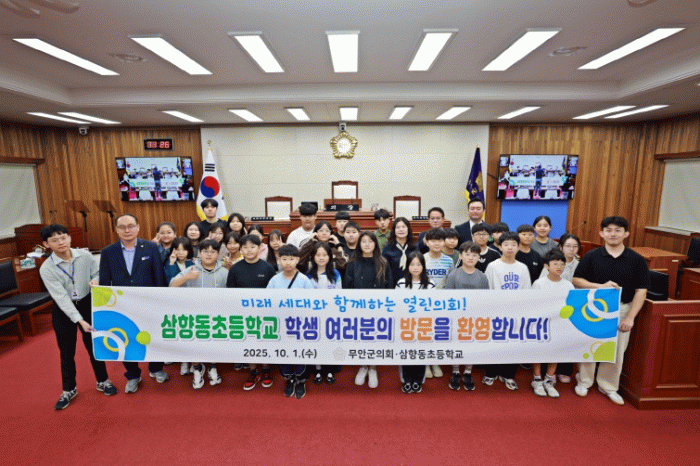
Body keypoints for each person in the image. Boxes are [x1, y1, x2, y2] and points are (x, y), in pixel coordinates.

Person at [572, 216, 649, 406]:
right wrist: (599, 286)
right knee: (590, 346)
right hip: (593, 309)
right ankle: (584, 381)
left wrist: (630, 317)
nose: (613, 234)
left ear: (626, 233)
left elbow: (641, 290)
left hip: (622, 309)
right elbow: (577, 280)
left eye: (617, 230)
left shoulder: (637, 260)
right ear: (601, 233)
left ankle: (608, 386)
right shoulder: (592, 256)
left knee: (616, 351)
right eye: (608, 230)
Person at [39, 224, 118, 410]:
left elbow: (97, 272)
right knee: (67, 351)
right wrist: (79, 320)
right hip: (63, 310)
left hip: (87, 303)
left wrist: (96, 280)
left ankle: (102, 380)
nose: (61, 242)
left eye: (63, 237)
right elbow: (61, 298)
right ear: (46, 244)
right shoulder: (46, 268)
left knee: (93, 345)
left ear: (69, 238)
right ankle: (69, 389)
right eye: (54, 240)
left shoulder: (85, 256)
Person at [99, 214, 168, 393]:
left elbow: (159, 276)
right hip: (122, 306)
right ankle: (133, 375)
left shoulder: (151, 247)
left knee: (154, 336)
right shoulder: (108, 252)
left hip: (149, 303)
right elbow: (104, 281)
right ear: (116, 230)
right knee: (126, 338)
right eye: (122, 227)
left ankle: (156, 368)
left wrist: (161, 301)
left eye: (131, 226)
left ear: (138, 227)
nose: (127, 230)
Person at [169, 239, 228, 389]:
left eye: (213, 251)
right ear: (199, 253)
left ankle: (212, 367)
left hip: (216, 317)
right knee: (193, 343)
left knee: (215, 343)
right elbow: (171, 286)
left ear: (218, 254)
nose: (209, 254)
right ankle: (197, 368)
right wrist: (186, 278)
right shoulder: (191, 270)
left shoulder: (224, 272)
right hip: (194, 315)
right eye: (205, 251)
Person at [227, 234, 277, 390]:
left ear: (259, 248)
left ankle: (266, 369)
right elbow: (230, 293)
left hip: (265, 314)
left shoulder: (268, 268)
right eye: (245, 247)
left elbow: (274, 293)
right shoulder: (235, 268)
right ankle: (253, 371)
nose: (249, 250)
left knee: (264, 341)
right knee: (248, 342)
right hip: (243, 314)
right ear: (241, 249)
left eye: (253, 247)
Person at [344, 232, 393, 389]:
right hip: (358, 309)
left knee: (374, 339)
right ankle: (363, 366)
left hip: (378, 309)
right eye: (363, 241)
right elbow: (347, 288)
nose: (366, 244)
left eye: (370, 241)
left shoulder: (383, 262)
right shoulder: (352, 263)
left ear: (375, 244)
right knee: (361, 338)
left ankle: (372, 367)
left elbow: (389, 287)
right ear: (359, 244)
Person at [484, 231, 531, 390]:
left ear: (518, 247)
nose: (510, 247)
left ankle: (508, 375)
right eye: (506, 244)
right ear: (500, 246)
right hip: (495, 312)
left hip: (515, 313)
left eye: (513, 244)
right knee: (493, 343)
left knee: (513, 344)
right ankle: (490, 373)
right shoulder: (493, 266)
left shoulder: (522, 268)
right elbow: (487, 289)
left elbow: (526, 291)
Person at [267, 244, 314, 399]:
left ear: (298, 260)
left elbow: (311, 303)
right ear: (279, 259)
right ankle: (289, 379)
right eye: (284, 259)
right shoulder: (274, 280)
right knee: (284, 353)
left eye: (292, 259)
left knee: (300, 353)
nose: (288, 262)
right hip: (281, 325)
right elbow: (267, 301)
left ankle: (301, 381)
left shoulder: (304, 280)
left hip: (300, 325)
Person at [444, 242, 489, 391]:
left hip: (475, 318)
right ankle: (456, 371)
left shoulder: (482, 276)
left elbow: (485, 299)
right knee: (456, 344)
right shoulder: (453, 274)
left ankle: (468, 372)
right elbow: (448, 298)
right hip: (456, 318)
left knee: (472, 344)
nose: (470, 257)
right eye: (467, 254)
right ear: (461, 256)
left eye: (474, 255)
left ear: (479, 257)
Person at [530, 249, 573, 398]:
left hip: (560, 325)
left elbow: (571, 306)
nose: (559, 267)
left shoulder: (568, 285)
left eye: (562, 264)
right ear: (546, 266)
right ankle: (537, 379)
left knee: (555, 352)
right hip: (541, 324)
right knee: (538, 352)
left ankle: (549, 380)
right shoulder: (539, 283)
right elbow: (532, 304)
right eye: (555, 263)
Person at [395, 252, 434, 393]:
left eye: (419, 264)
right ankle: (406, 379)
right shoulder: (401, 283)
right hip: (405, 326)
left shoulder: (430, 284)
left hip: (423, 326)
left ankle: (418, 380)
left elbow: (434, 306)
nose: (415, 267)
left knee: (420, 353)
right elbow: (396, 304)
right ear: (407, 266)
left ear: (423, 266)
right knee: (406, 353)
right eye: (412, 264)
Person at [306, 241, 342, 385]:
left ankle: (330, 370)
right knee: (316, 342)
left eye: (325, 255)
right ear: (313, 257)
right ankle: (318, 369)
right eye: (318, 255)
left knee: (330, 342)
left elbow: (339, 295)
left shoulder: (335, 274)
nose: (321, 258)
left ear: (329, 257)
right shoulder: (309, 275)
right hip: (314, 316)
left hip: (331, 315)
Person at [381, 217, 417, 287]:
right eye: (398, 227)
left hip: (412, 284)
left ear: (408, 229)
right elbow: (384, 271)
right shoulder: (387, 248)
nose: (401, 229)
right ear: (394, 230)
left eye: (403, 227)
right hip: (392, 285)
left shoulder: (414, 247)